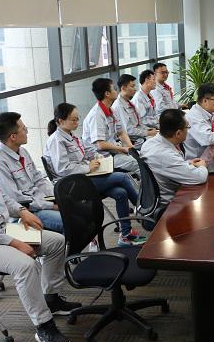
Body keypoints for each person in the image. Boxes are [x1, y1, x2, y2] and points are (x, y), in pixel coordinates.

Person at [0, 127, 79, 342]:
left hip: (3, 231)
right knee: (25, 265)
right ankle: (44, 325)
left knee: (56, 242)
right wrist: (16, 243)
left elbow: (5, 199)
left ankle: (51, 298)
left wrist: (22, 211)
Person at [44, 103, 145, 247]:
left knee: (121, 193)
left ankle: (125, 235)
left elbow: (88, 151)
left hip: (84, 178)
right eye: (73, 119)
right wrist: (88, 168)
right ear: (60, 121)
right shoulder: (56, 141)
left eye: (77, 119)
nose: (77, 123)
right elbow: (63, 169)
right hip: (73, 185)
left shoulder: (72, 136)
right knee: (122, 177)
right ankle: (144, 211)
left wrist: (98, 158)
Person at [0, 112, 63, 233]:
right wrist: (52, 206)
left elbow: (38, 179)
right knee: (70, 220)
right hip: (28, 212)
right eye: (23, 128)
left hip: (41, 202)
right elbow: (17, 200)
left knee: (78, 210)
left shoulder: (22, 151)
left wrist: (58, 197)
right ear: (13, 137)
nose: (27, 131)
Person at [140, 109, 208, 218]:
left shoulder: (150, 143)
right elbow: (199, 177)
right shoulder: (165, 155)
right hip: (170, 207)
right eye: (187, 127)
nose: (188, 130)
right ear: (178, 133)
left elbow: (167, 165)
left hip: (158, 198)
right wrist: (202, 166)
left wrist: (187, 163)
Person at [82, 78, 139, 174]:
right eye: (114, 89)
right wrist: (122, 149)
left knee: (142, 157)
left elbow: (121, 132)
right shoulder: (96, 115)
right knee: (137, 164)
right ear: (107, 94)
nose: (117, 91)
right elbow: (101, 145)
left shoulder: (111, 110)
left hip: (114, 151)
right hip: (102, 157)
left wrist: (130, 147)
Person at [111, 74, 157, 149]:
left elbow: (138, 124)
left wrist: (148, 129)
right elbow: (128, 130)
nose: (135, 89)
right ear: (123, 88)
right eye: (132, 86)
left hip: (140, 136)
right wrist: (147, 133)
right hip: (132, 141)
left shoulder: (128, 102)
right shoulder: (119, 106)